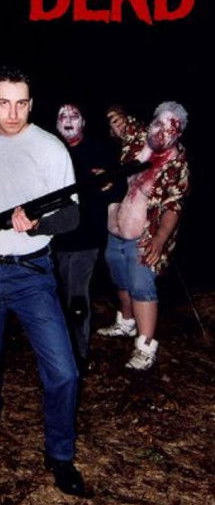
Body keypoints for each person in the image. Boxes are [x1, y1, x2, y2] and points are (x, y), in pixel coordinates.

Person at [0, 66, 85, 496]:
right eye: (4, 103)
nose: (12, 113)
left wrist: (38, 223)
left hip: (33, 274)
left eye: (21, 103)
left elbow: (72, 214)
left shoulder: (50, 148)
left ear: (31, 103)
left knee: (63, 371)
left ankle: (60, 454)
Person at [97, 102, 189, 370]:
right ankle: (126, 323)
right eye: (158, 123)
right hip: (116, 230)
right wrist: (115, 113)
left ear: (178, 134)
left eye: (171, 129)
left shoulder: (177, 163)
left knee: (141, 285)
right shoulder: (139, 138)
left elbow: (174, 207)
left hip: (146, 236)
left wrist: (159, 240)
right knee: (120, 277)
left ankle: (145, 347)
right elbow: (119, 118)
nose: (161, 131)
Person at [52, 103, 122, 366]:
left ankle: (78, 355)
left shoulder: (100, 150)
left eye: (74, 115)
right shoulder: (49, 150)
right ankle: (57, 350)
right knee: (56, 297)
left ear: (83, 122)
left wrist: (110, 182)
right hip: (54, 239)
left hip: (86, 239)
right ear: (56, 123)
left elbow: (119, 188)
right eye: (62, 116)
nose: (68, 120)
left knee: (78, 297)